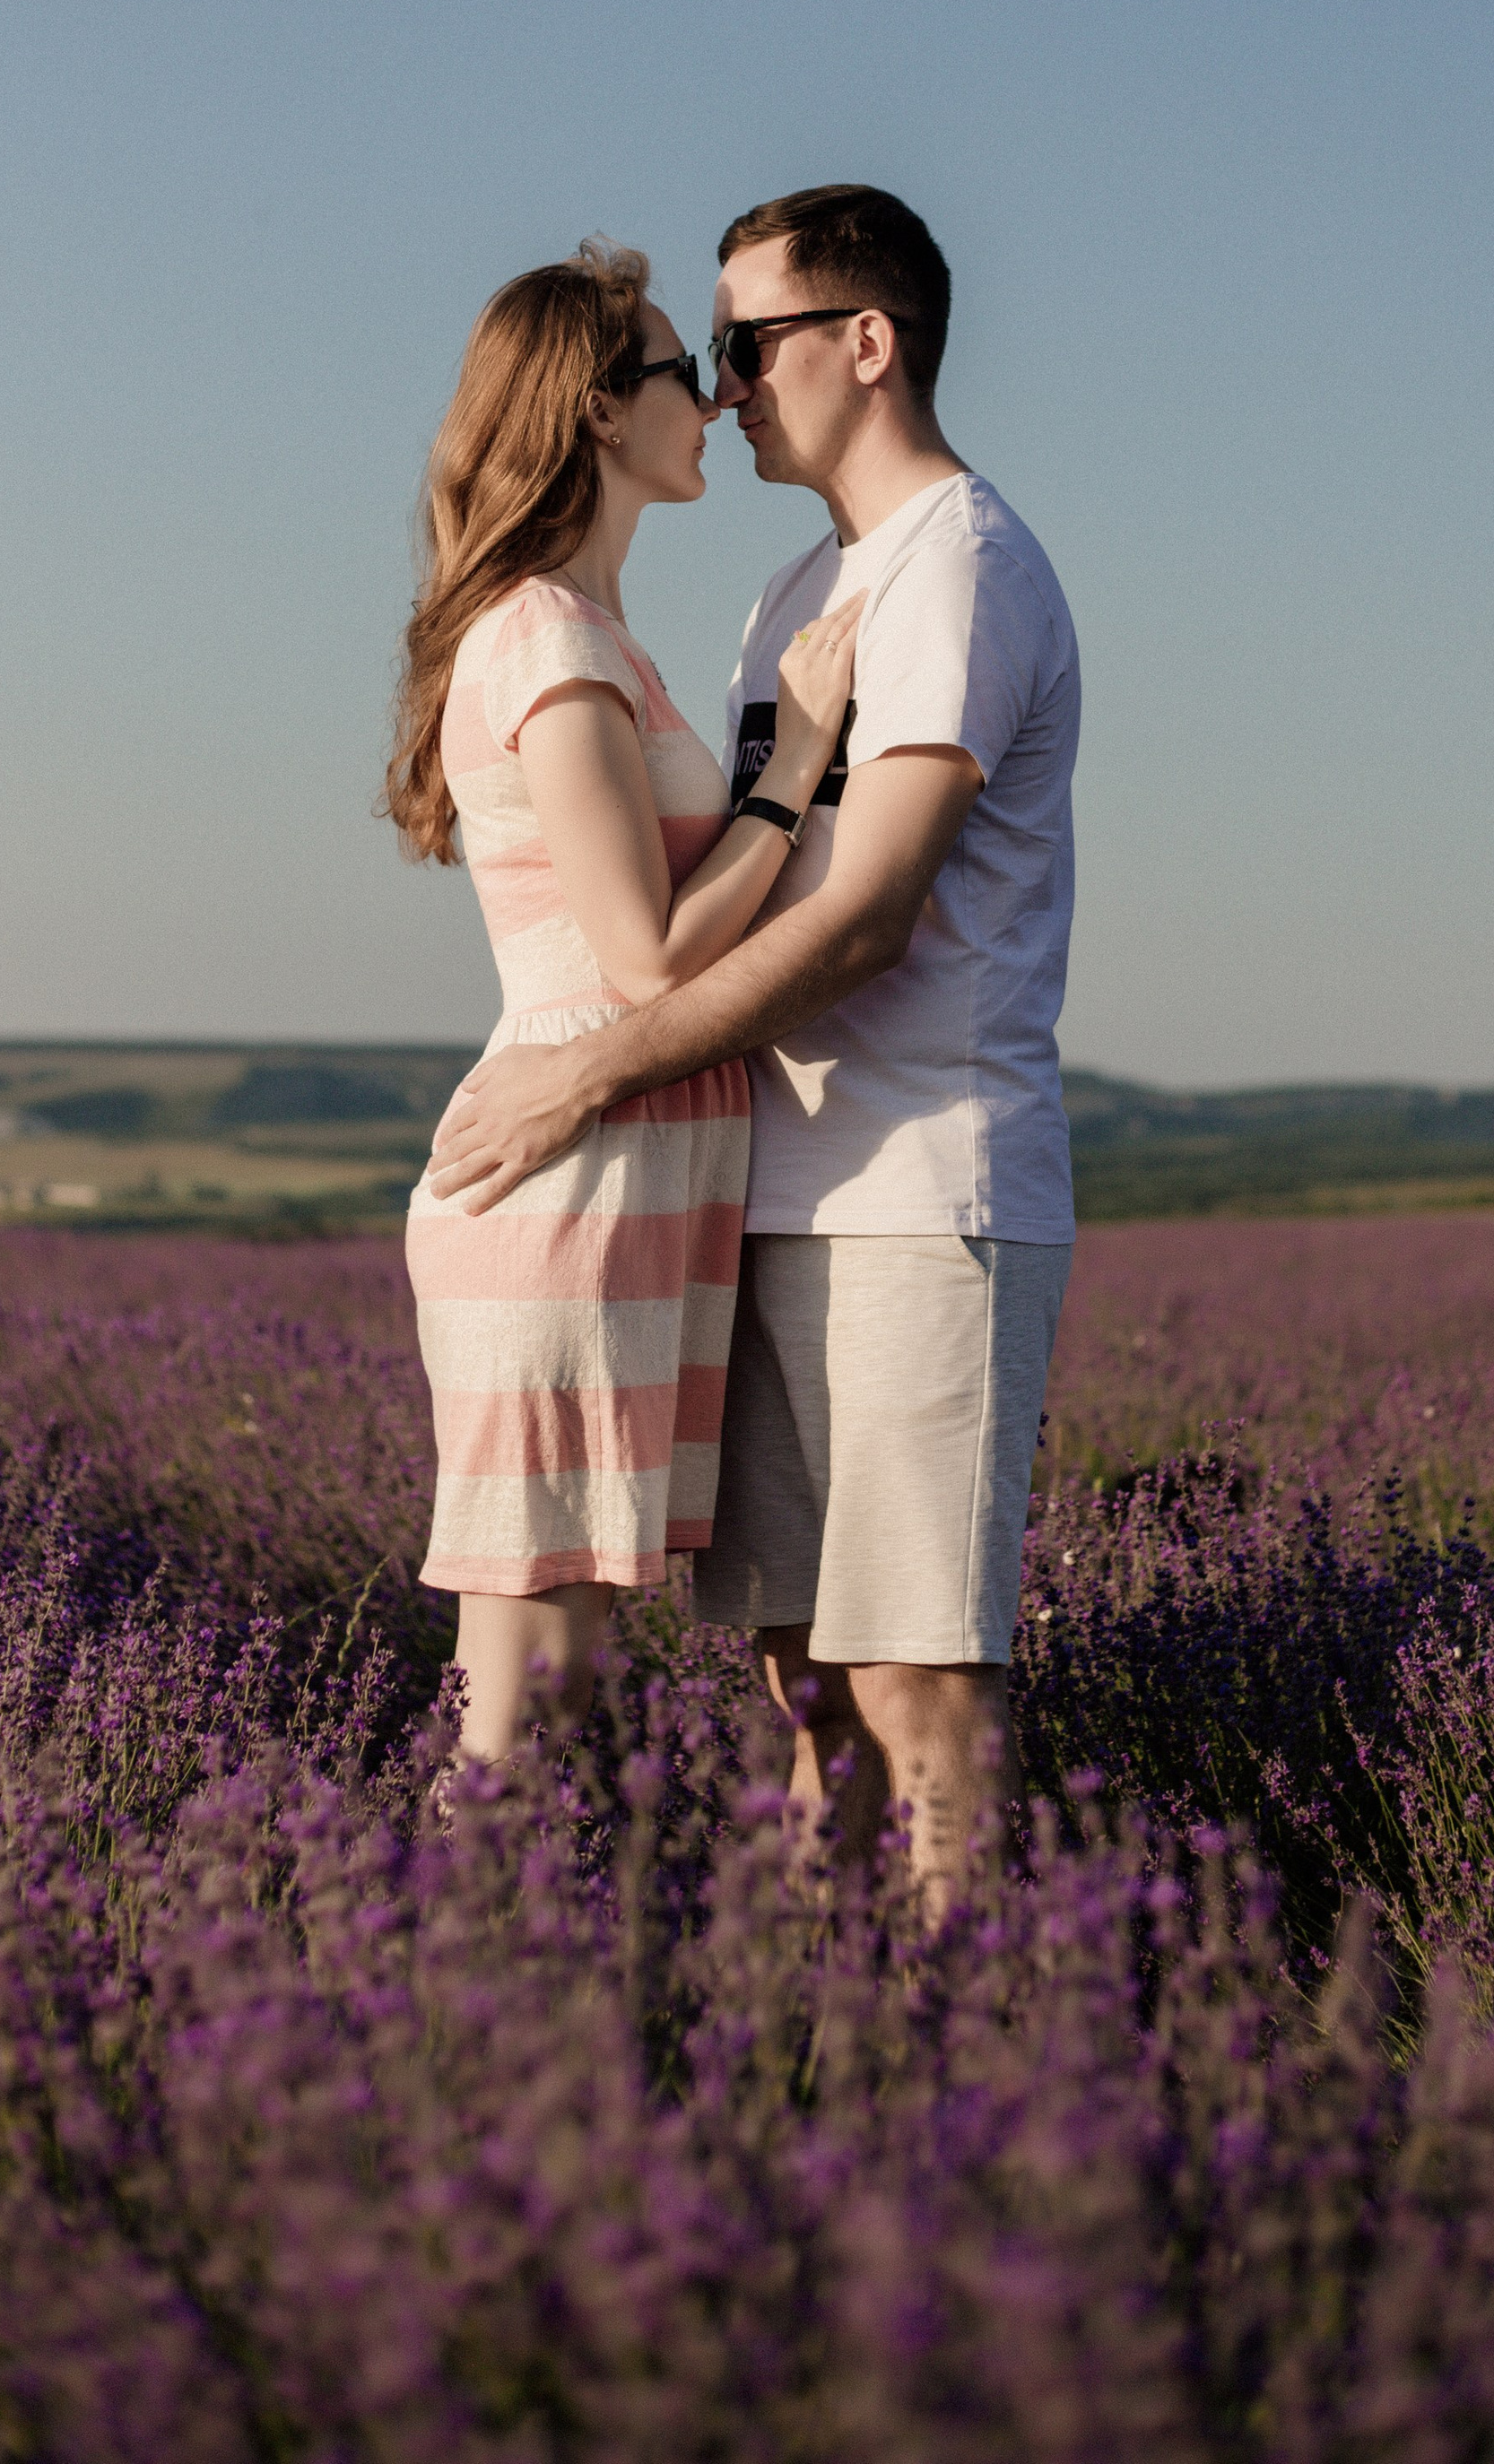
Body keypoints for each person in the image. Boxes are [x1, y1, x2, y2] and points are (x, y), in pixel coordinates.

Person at [428, 187, 1081, 1912]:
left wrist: (596, 1068)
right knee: (805, 1681)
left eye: (752, 343)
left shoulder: (960, 572)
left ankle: (978, 2056)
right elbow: (700, 891)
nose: (724, 385)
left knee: (920, 1678)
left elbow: (862, 916)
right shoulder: (798, 591)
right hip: (761, 1190)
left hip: (919, 1186)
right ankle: (839, 2053)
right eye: (698, 355)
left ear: (866, 344)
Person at [383, 240, 860, 1764]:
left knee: (556, 1677)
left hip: (623, 1174)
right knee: (527, 1687)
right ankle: (444, 1994)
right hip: (567, 1183)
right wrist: (793, 768)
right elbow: (649, 960)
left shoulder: (590, 638)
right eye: (681, 370)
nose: (715, 401)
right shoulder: (547, 638)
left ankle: (481, 1981)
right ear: (596, 411)